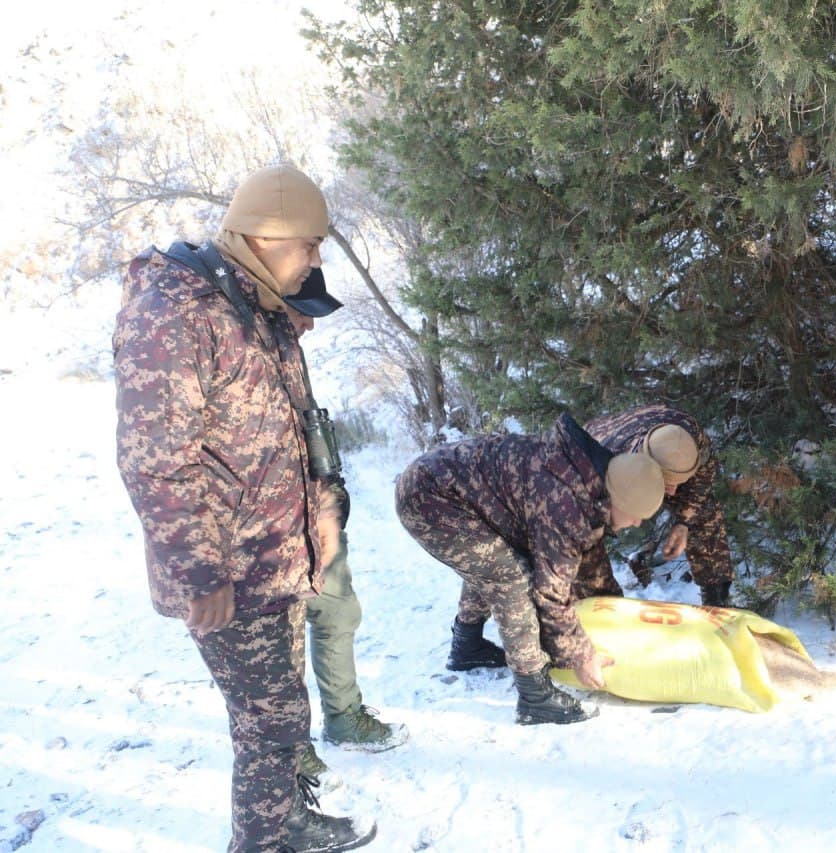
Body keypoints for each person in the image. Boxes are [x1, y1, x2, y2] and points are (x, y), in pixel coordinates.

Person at [113, 163, 376, 852]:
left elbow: (298, 429)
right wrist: (201, 574)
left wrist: (323, 516)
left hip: (278, 560)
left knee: (281, 716)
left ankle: (287, 819)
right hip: (229, 572)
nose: (318, 259)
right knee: (271, 723)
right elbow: (156, 460)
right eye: (310, 246)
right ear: (260, 237)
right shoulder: (176, 312)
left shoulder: (256, 310)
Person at [394, 414, 666, 724]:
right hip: (429, 497)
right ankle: (535, 696)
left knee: (493, 559)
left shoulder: (590, 483)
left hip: (453, 488)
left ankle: (466, 646)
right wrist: (579, 655)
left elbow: (589, 557)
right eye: (635, 515)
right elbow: (551, 591)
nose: (637, 523)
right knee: (510, 579)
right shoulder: (565, 503)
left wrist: (615, 611)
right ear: (617, 499)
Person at [280, 271, 409, 786]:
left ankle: (343, 718)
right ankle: (289, 746)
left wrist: (330, 512)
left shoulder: (288, 352)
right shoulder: (233, 346)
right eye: (302, 310)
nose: (310, 324)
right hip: (268, 534)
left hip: (314, 515)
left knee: (338, 611)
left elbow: (315, 440)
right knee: (280, 638)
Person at [575, 404, 735, 606]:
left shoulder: (692, 441)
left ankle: (717, 597)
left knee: (705, 511)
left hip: (652, 438)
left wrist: (684, 522)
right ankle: (592, 605)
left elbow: (702, 481)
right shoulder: (604, 468)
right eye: (667, 485)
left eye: (678, 483)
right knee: (594, 532)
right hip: (606, 440)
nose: (673, 493)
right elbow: (587, 538)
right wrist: (607, 600)